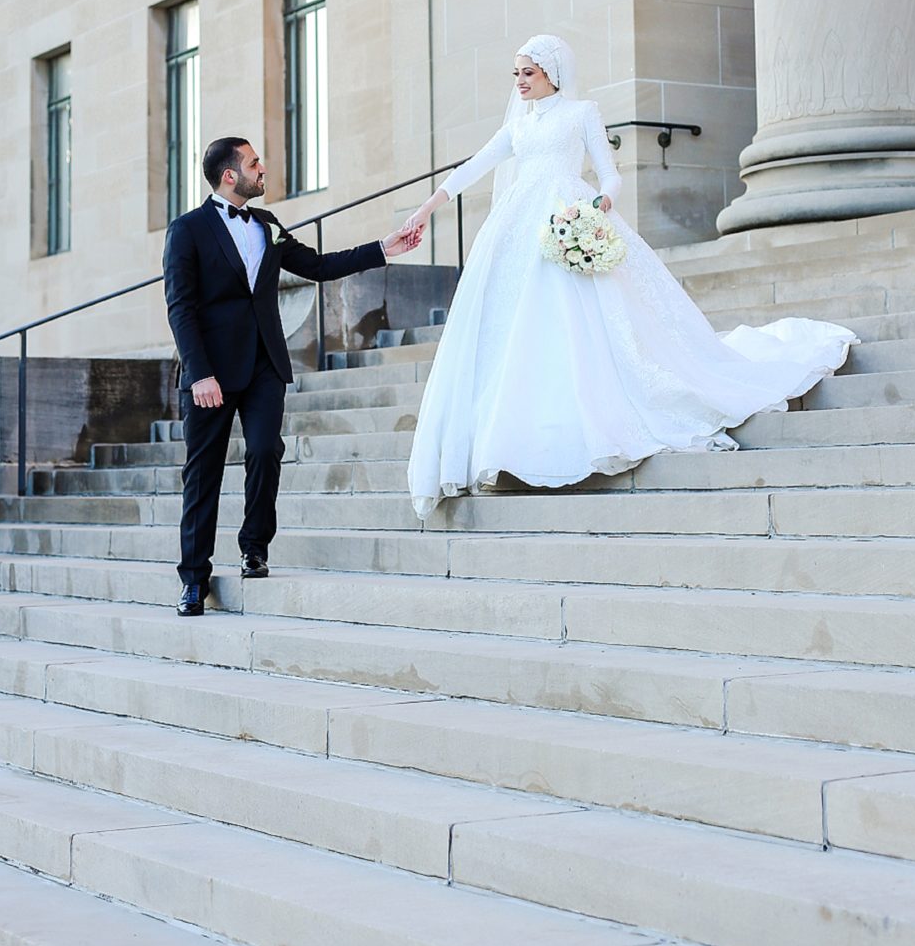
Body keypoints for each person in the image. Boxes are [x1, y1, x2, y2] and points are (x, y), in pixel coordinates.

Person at [402, 34, 857, 518]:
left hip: (568, 215)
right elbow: (474, 167)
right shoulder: (518, 126)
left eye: (527, 73)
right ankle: (510, 441)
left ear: (552, 74)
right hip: (517, 228)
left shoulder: (581, 114)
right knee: (512, 329)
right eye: (515, 73)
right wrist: (426, 209)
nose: (519, 82)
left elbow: (610, 173)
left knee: (577, 323)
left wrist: (602, 201)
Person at [163, 136, 422, 614]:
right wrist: (199, 374)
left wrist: (383, 249)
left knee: (266, 450)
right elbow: (180, 306)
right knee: (204, 475)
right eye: (254, 162)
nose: (263, 169)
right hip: (211, 374)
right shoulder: (187, 230)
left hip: (263, 362)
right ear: (229, 176)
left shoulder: (267, 225)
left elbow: (319, 266)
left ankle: (254, 546)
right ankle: (194, 578)